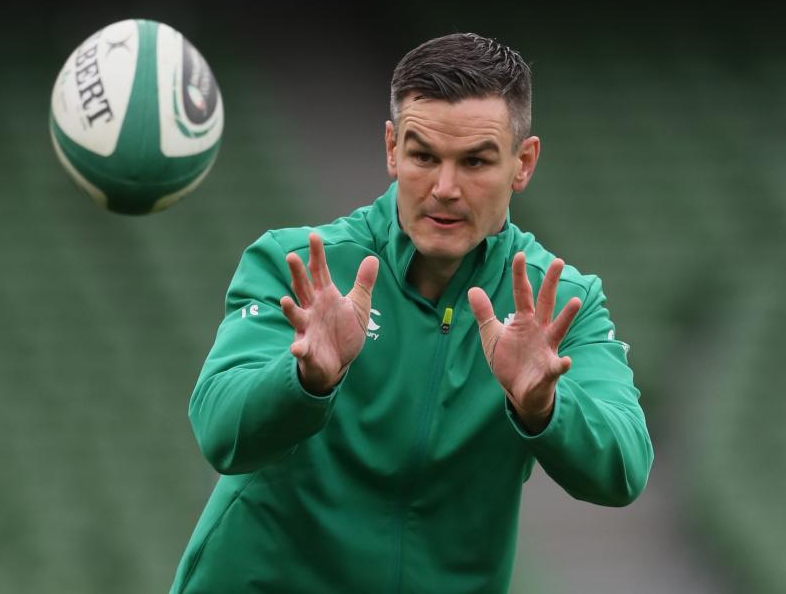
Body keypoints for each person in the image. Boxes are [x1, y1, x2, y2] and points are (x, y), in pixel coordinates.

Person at [170, 33, 654, 593]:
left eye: (475, 161)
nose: (444, 189)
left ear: (523, 163)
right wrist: (303, 381)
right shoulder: (300, 267)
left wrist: (546, 406)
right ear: (392, 150)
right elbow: (219, 432)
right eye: (424, 156)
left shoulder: (555, 303)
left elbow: (624, 470)